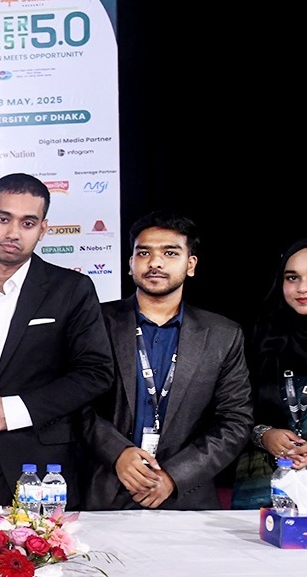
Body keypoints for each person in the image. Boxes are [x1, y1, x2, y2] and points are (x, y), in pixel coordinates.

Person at [0, 173, 113, 508]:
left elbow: (96, 372)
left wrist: (15, 410)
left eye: (27, 223)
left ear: (43, 229)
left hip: (42, 469)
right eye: (3, 218)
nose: (13, 233)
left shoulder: (71, 290)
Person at [84, 213, 251, 509]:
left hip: (187, 498)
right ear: (130, 263)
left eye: (170, 253)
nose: (155, 263)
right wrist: (117, 453)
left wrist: (174, 476)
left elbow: (234, 421)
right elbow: (73, 404)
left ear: (191, 265)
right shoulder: (94, 323)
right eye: (144, 253)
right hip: (104, 491)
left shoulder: (223, 335)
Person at [233, 237, 307, 507]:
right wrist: (264, 435)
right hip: (265, 490)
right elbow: (229, 412)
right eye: (292, 277)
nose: (302, 288)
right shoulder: (264, 339)